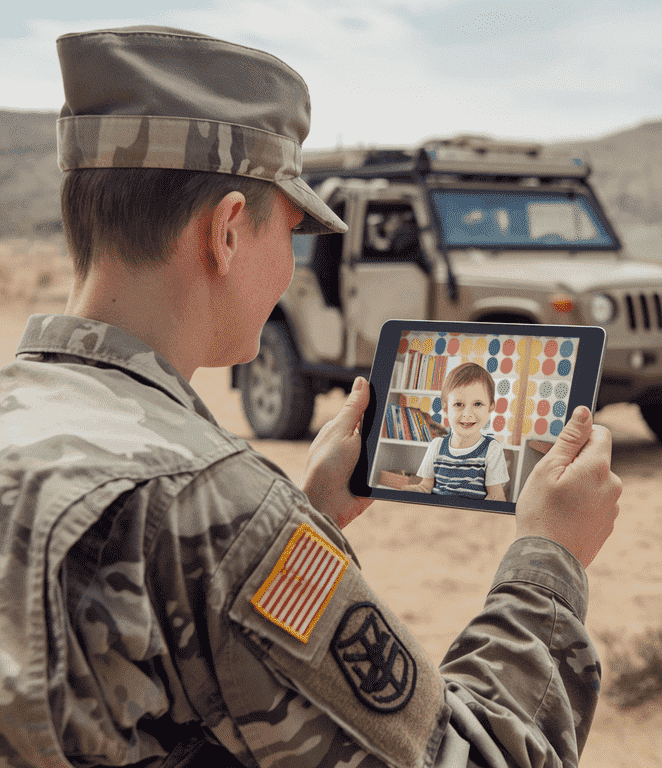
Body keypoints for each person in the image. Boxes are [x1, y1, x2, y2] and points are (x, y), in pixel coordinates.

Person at [0, 25, 622, 768]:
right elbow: (475, 757)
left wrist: (308, 517)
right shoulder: (216, 509)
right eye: (292, 233)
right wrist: (550, 555)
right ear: (227, 231)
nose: (292, 268)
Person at [402, 362, 509, 500]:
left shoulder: (492, 449)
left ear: (490, 407)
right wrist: (414, 490)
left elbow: (496, 495)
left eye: (477, 404)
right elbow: (426, 486)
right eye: (459, 404)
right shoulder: (437, 446)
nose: (467, 413)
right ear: (446, 408)